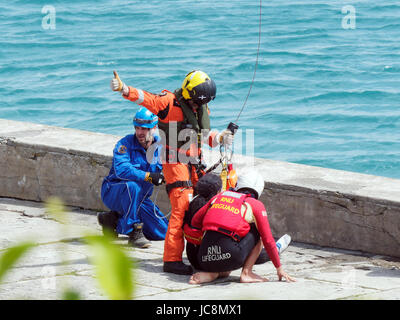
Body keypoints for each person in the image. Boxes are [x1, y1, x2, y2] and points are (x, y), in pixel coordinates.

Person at [110, 70, 234, 275]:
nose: (198, 106)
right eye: (195, 102)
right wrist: (124, 89)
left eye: (200, 104)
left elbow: (201, 135)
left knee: (203, 204)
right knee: (181, 206)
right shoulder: (168, 103)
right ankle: (172, 259)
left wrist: (219, 137)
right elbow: (145, 98)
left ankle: (200, 251)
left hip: (195, 162)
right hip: (174, 162)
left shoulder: (201, 106)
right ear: (188, 95)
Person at [184, 169, 296, 284]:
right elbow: (268, 240)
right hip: (230, 257)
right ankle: (247, 273)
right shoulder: (255, 204)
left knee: (217, 234)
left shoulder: (219, 196)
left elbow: (195, 221)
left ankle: (213, 272)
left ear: (237, 185)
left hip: (203, 258)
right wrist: (279, 269)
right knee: (257, 232)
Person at [98, 107, 169, 248]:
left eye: (144, 129)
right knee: (132, 186)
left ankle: (111, 220)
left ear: (154, 128)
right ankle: (134, 231)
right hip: (114, 192)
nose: (139, 132)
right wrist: (149, 176)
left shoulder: (162, 147)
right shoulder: (124, 144)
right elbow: (122, 170)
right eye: (137, 128)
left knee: (162, 232)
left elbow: (171, 166)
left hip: (140, 198)